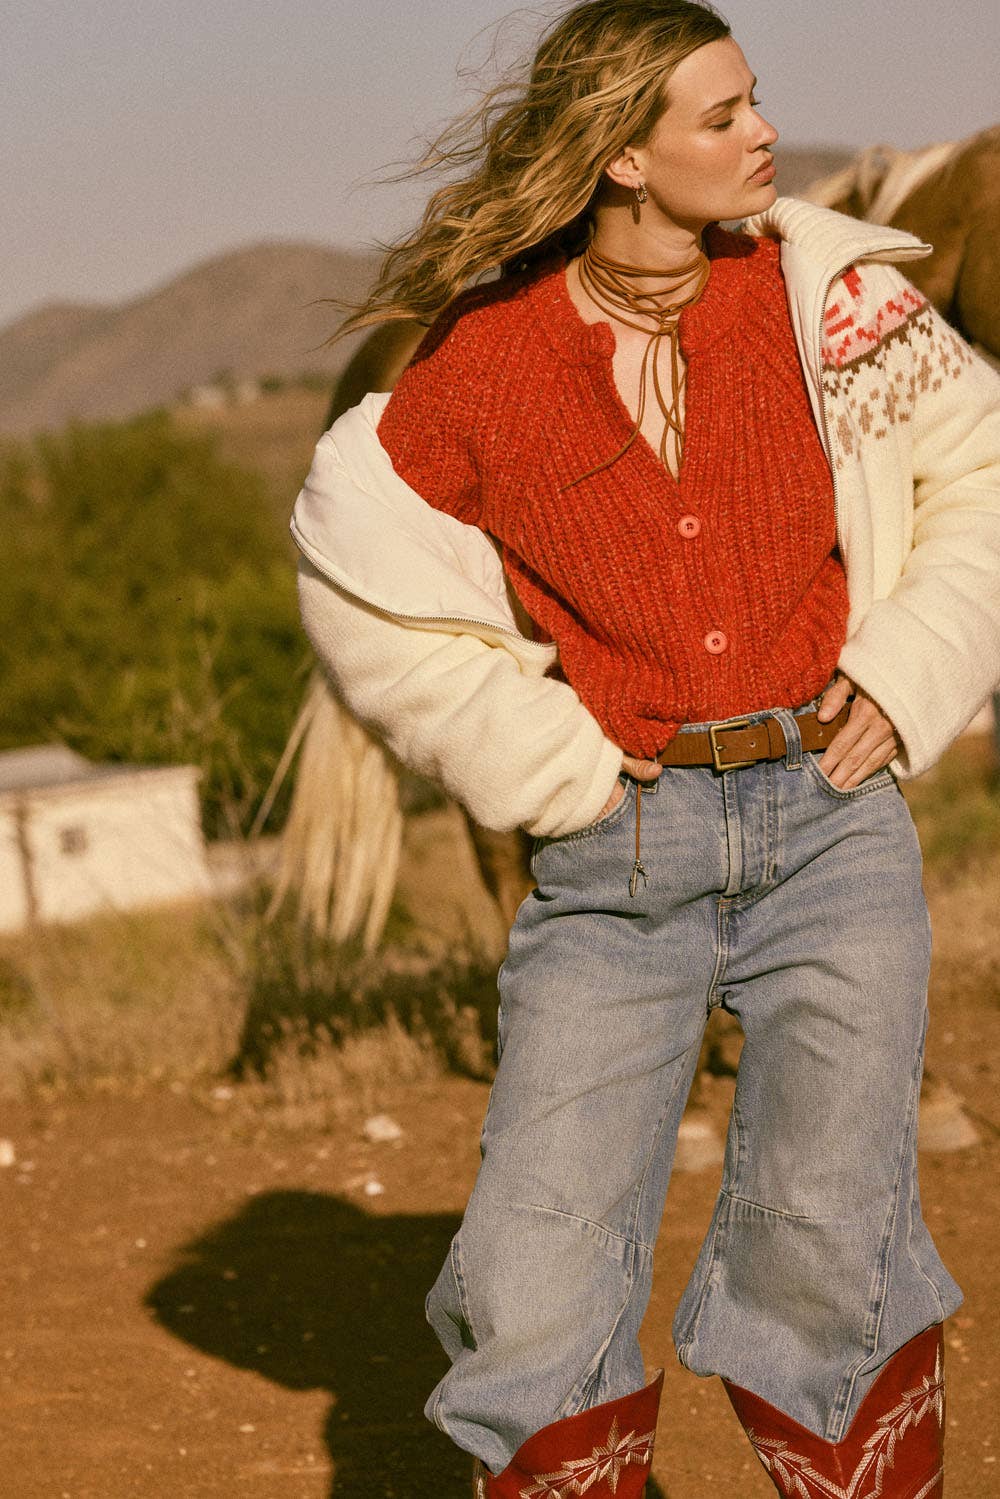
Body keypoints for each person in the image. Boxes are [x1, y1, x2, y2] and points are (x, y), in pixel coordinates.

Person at [290, 2, 1000, 1493]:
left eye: (758, 103)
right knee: (537, 1276)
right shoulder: (481, 363)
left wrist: (911, 665)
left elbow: (979, 471)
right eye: (723, 115)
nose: (764, 136)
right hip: (618, 856)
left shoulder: (832, 291)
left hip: (833, 823)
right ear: (622, 155)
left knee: (832, 1250)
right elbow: (356, 567)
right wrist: (544, 765)